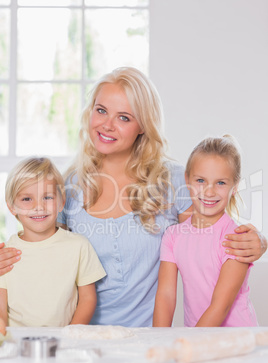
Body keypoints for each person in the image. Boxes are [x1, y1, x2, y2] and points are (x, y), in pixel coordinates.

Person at [0, 68, 266, 327]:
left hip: (146, 340)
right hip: (80, 339)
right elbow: (43, 253)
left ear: (143, 126)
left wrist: (257, 240)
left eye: (124, 117)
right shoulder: (67, 188)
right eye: (101, 110)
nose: (107, 124)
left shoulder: (173, 180)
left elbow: (210, 238)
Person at [153, 135, 258, 327]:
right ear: (187, 179)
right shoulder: (173, 236)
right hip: (197, 338)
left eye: (220, 183)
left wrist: (190, 345)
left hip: (238, 340)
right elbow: (166, 296)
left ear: (234, 187)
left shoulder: (237, 239)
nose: (209, 192)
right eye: (201, 180)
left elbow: (220, 307)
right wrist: (159, 341)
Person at [0, 157, 106, 327]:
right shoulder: (6, 254)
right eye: (27, 199)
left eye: (47, 197)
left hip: (65, 342)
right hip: (17, 343)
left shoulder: (78, 246)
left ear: (62, 202)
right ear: (12, 207)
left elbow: (88, 299)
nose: (38, 206)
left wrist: (71, 335)